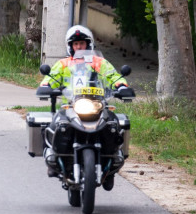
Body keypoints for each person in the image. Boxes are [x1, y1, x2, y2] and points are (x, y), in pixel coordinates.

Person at [39, 25, 131, 179]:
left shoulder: (100, 62)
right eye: (75, 44)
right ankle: (53, 159)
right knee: (55, 123)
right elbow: (51, 77)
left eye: (81, 43)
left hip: (98, 104)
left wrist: (121, 86)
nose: (79, 46)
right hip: (71, 105)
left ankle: (114, 157)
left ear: (88, 44)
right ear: (70, 46)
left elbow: (113, 76)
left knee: (114, 124)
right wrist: (46, 86)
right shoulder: (63, 64)